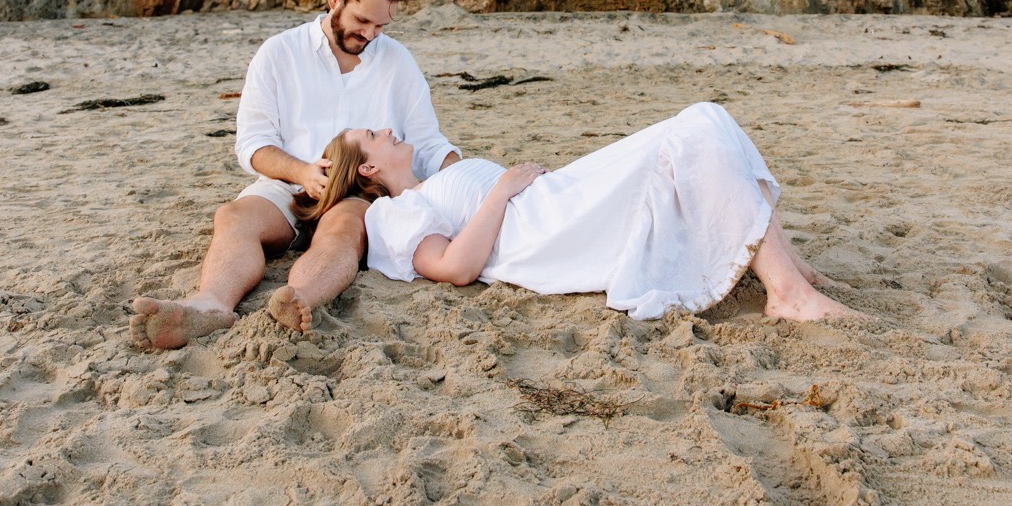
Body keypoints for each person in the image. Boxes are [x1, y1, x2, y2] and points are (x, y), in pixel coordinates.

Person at [129, 0, 460, 348]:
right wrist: (303, 172)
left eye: (381, 25)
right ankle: (209, 305)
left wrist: (469, 176)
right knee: (235, 216)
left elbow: (427, 143)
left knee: (343, 232)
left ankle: (299, 298)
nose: (371, 35)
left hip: (356, 193)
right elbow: (253, 145)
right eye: (362, 20)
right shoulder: (279, 53)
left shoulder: (398, 63)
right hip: (289, 185)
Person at [299, 102, 860, 322]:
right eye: (373, 135)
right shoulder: (395, 214)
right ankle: (789, 295)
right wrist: (502, 190)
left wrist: (511, 185)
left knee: (710, 122)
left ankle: (790, 269)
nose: (389, 130)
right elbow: (454, 268)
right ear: (367, 170)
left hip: (555, 196)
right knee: (694, 132)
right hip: (543, 227)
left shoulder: (438, 175)